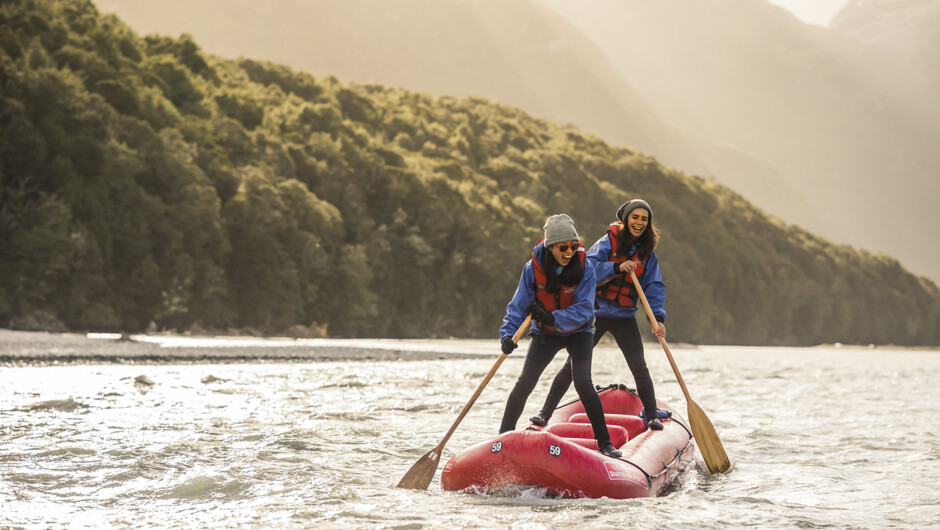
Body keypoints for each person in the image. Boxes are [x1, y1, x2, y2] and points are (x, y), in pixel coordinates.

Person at [531, 200, 667, 431]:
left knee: (639, 366)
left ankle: (652, 415)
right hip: (595, 315)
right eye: (635, 217)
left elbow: (654, 287)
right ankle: (544, 414)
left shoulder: (647, 254)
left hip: (624, 317)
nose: (640, 223)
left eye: (645, 219)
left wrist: (658, 317)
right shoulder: (608, 243)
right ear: (626, 219)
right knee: (571, 366)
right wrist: (615, 267)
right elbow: (588, 267)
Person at [498, 214, 622, 458]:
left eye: (573, 246)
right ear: (549, 246)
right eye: (563, 247)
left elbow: (585, 309)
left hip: (580, 332)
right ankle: (502, 437)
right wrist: (507, 335)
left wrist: (552, 317)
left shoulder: (585, 267)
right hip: (546, 333)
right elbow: (517, 306)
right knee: (525, 382)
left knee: (583, 383)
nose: (569, 252)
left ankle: (605, 443)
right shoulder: (531, 270)